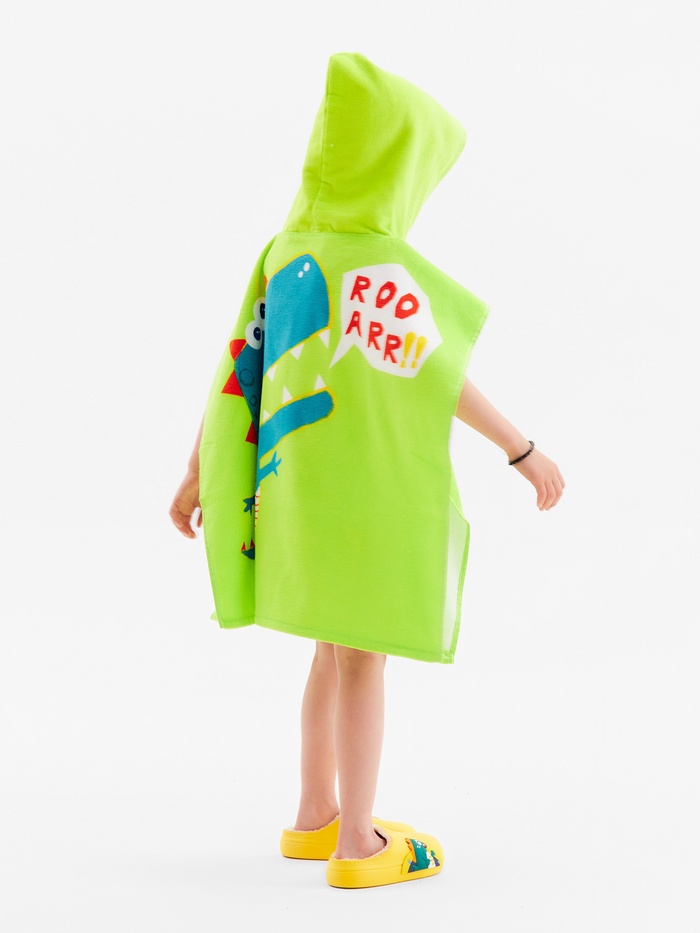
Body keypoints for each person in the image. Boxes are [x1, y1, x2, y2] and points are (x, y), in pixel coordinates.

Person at [169, 52, 565, 889]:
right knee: (364, 659)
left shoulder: (284, 250)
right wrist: (521, 448)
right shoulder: (378, 266)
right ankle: (358, 841)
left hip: (293, 496)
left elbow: (240, 365)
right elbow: (440, 375)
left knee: (327, 650)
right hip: (363, 497)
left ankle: (313, 812)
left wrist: (197, 467)